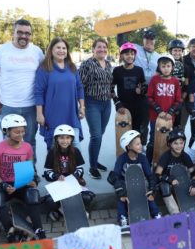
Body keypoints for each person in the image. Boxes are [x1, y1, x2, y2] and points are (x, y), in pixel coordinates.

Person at [0, 19, 44, 157]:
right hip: (8, 106)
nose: (23, 36)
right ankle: (11, 173)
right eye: (19, 32)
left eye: (27, 33)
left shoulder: (36, 51)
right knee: (9, 141)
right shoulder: (2, 50)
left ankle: (30, 172)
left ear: (31, 35)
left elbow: (45, 75)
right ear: (13, 33)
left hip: (31, 106)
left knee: (30, 141)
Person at [0, 114, 45, 243]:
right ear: (6, 131)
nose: (21, 135)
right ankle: (10, 230)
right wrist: (4, 186)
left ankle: (39, 229)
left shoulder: (27, 147)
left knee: (33, 194)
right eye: (16, 132)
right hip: (5, 184)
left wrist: (34, 181)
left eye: (23, 131)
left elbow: (31, 169)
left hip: (22, 184)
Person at [34, 37, 85, 150]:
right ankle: (54, 168)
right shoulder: (44, 68)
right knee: (54, 149)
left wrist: (82, 107)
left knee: (75, 146)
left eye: (64, 48)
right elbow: (38, 92)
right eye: (58, 47)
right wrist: (39, 113)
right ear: (51, 50)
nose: (61, 50)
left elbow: (79, 87)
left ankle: (75, 168)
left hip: (71, 114)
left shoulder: (72, 67)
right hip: (52, 115)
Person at [108, 130, 162, 233]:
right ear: (128, 146)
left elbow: (150, 176)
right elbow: (114, 177)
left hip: (139, 186)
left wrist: (152, 189)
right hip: (125, 187)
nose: (141, 146)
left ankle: (156, 215)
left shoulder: (143, 158)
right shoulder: (122, 159)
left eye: (140, 143)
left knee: (149, 196)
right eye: (137, 144)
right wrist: (121, 192)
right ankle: (123, 220)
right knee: (122, 199)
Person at [117, 29, 161, 147]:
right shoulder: (136, 48)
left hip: (148, 93)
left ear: (155, 41)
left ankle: (141, 146)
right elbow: (122, 43)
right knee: (127, 123)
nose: (149, 41)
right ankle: (126, 146)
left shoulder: (158, 56)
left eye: (151, 39)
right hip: (131, 91)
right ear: (143, 39)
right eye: (147, 38)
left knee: (143, 123)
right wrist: (123, 29)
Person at [42, 124, 95, 220]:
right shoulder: (52, 152)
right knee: (50, 201)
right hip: (58, 183)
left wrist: (74, 176)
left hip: (72, 183)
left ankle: (76, 210)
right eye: (62, 138)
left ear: (71, 139)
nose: (65, 141)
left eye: (67, 138)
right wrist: (56, 176)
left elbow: (80, 169)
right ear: (57, 139)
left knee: (87, 197)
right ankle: (59, 210)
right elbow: (47, 171)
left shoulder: (76, 151)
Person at [78, 38, 113, 180]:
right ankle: (92, 167)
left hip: (106, 103)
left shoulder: (109, 64)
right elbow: (80, 85)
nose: (102, 49)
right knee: (96, 135)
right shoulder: (87, 64)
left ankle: (95, 160)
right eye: (99, 47)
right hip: (92, 103)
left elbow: (111, 85)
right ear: (93, 49)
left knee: (101, 133)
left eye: (104, 47)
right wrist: (82, 106)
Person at [154, 128, 195, 214]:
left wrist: (194, 184)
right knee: (164, 186)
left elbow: (194, 172)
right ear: (169, 144)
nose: (179, 146)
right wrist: (169, 179)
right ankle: (176, 214)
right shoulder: (166, 156)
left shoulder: (185, 156)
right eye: (175, 143)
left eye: (181, 143)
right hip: (171, 187)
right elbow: (157, 174)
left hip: (184, 186)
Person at [146, 53, 182, 163]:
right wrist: (159, 110)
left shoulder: (175, 81)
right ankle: (148, 163)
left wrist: (170, 112)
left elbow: (179, 100)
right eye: (163, 66)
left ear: (172, 67)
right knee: (153, 139)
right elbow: (149, 97)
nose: (166, 69)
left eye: (168, 66)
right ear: (159, 67)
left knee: (168, 140)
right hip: (155, 117)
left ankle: (165, 163)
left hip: (169, 118)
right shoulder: (154, 79)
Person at [112, 42, 147, 134]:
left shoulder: (139, 70)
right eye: (127, 54)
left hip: (138, 106)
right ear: (122, 56)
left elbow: (144, 86)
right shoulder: (117, 71)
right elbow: (110, 89)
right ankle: (125, 148)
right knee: (124, 132)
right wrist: (117, 103)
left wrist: (142, 90)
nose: (130, 56)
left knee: (136, 131)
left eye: (132, 54)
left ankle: (136, 148)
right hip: (123, 107)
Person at [168, 39, 187, 129]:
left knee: (176, 123)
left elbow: (186, 85)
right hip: (167, 96)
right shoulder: (165, 63)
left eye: (180, 50)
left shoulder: (185, 66)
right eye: (175, 50)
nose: (177, 53)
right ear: (170, 51)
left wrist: (182, 98)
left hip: (178, 98)